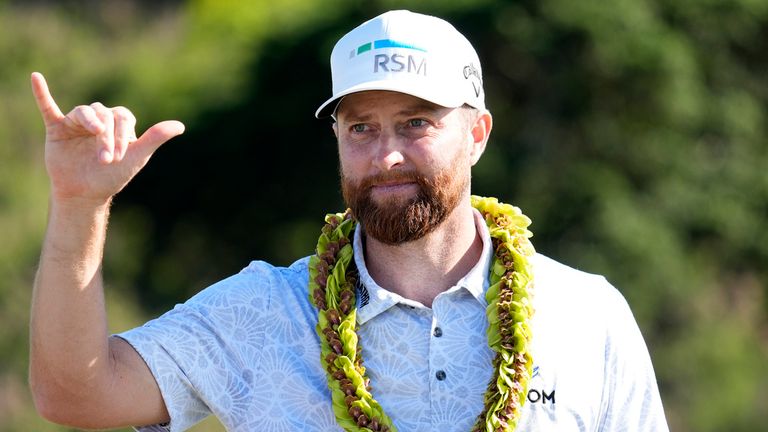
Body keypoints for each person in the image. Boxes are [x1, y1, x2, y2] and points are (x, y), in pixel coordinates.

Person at [29, 9, 668, 432]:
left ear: (476, 133)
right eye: (360, 127)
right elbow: (76, 395)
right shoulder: (263, 312)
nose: (386, 154)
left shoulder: (588, 314)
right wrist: (79, 209)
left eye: (417, 122)